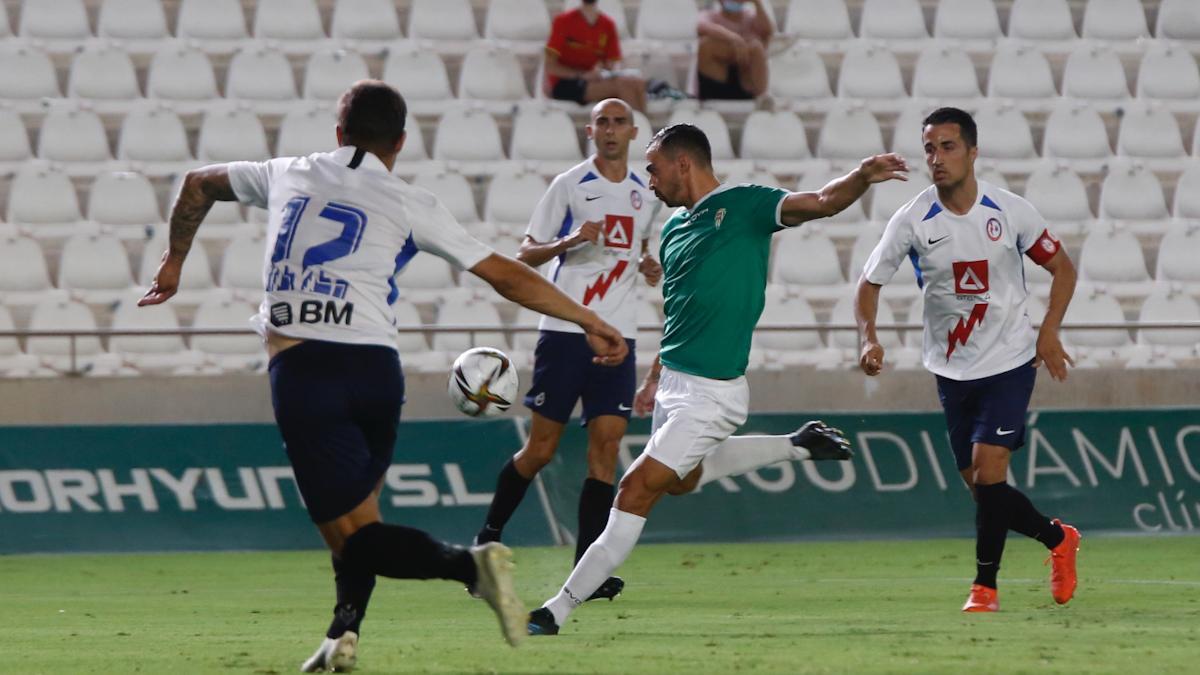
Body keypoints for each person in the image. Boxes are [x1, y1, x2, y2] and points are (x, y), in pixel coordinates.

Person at [138, 80, 629, 670]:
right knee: (361, 516)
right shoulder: (408, 199)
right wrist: (587, 317)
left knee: (352, 534)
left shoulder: (288, 172)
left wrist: (174, 260)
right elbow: (502, 272)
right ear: (399, 143)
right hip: (376, 370)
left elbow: (198, 184)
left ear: (338, 132)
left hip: (305, 368)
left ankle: (470, 565)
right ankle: (344, 633)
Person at [526, 124, 909, 635]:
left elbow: (819, 202)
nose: (650, 179)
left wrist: (862, 176)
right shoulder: (672, 230)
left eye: (654, 167)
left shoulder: (746, 205)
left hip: (713, 394)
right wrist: (655, 375)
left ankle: (558, 608)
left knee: (636, 488)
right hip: (674, 384)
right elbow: (681, 314)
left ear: (683, 163)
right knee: (680, 483)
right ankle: (798, 443)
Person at [854, 107, 1081, 613]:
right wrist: (868, 338)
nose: (937, 158)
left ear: (973, 152)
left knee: (987, 470)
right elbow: (868, 285)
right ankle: (1057, 538)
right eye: (930, 148)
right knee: (984, 493)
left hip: (1009, 361)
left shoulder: (1010, 211)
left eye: (948, 146)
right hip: (951, 368)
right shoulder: (913, 218)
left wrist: (1049, 331)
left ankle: (985, 588)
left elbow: (1063, 269)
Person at [474, 98, 661, 603]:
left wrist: (649, 266)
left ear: (633, 131)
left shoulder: (649, 194)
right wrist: (569, 241)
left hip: (621, 334)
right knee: (541, 450)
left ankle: (586, 572)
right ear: (590, 130)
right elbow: (525, 253)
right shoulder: (570, 185)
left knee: (605, 451)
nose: (611, 129)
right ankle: (486, 540)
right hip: (564, 329)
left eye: (619, 122)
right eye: (602, 121)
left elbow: (643, 252)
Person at [545, 0, 647, 112]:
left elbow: (610, 65)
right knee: (622, 85)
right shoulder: (563, 21)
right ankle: (637, 127)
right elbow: (550, 67)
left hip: (592, 80)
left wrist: (600, 71)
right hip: (565, 83)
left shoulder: (607, 24)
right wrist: (581, 75)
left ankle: (642, 125)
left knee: (637, 83)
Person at [696, 0, 773, 100]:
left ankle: (761, 96)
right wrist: (733, 38)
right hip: (718, 78)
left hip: (745, 79)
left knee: (756, 47)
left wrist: (757, 3)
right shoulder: (709, 15)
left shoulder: (751, 18)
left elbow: (767, 32)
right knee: (706, 44)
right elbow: (702, 27)